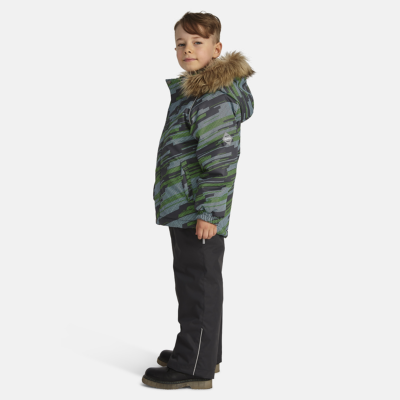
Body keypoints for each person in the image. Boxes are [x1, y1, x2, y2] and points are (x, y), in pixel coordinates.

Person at [142, 11, 255, 390]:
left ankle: (194, 367)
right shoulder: (194, 93)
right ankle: (204, 353)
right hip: (185, 206)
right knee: (198, 282)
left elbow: (220, 163)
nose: (187, 49)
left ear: (217, 48)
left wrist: (209, 213)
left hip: (197, 212)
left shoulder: (211, 99)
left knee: (197, 285)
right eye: (181, 43)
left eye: (197, 42)